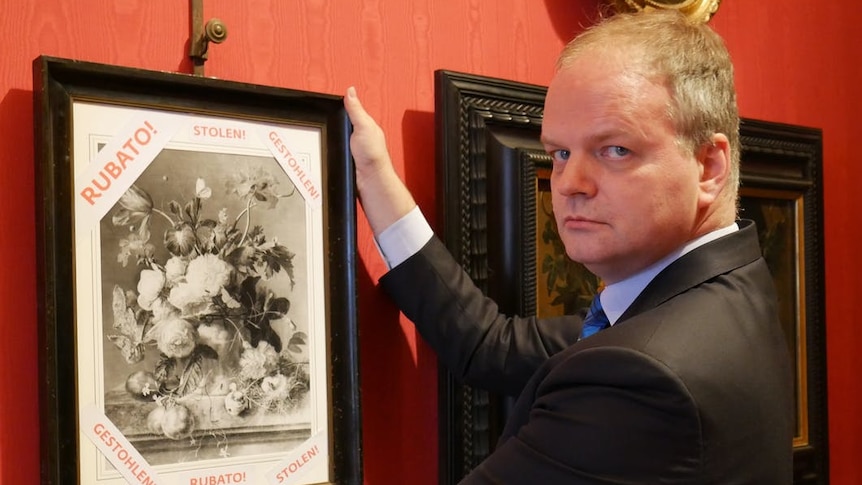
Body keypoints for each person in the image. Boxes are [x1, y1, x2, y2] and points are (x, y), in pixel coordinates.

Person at [345, 8, 793, 484]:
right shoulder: (725, 289)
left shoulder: (640, 377)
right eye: (560, 153)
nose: (569, 183)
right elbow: (489, 346)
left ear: (708, 167)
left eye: (615, 150)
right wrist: (373, 175)